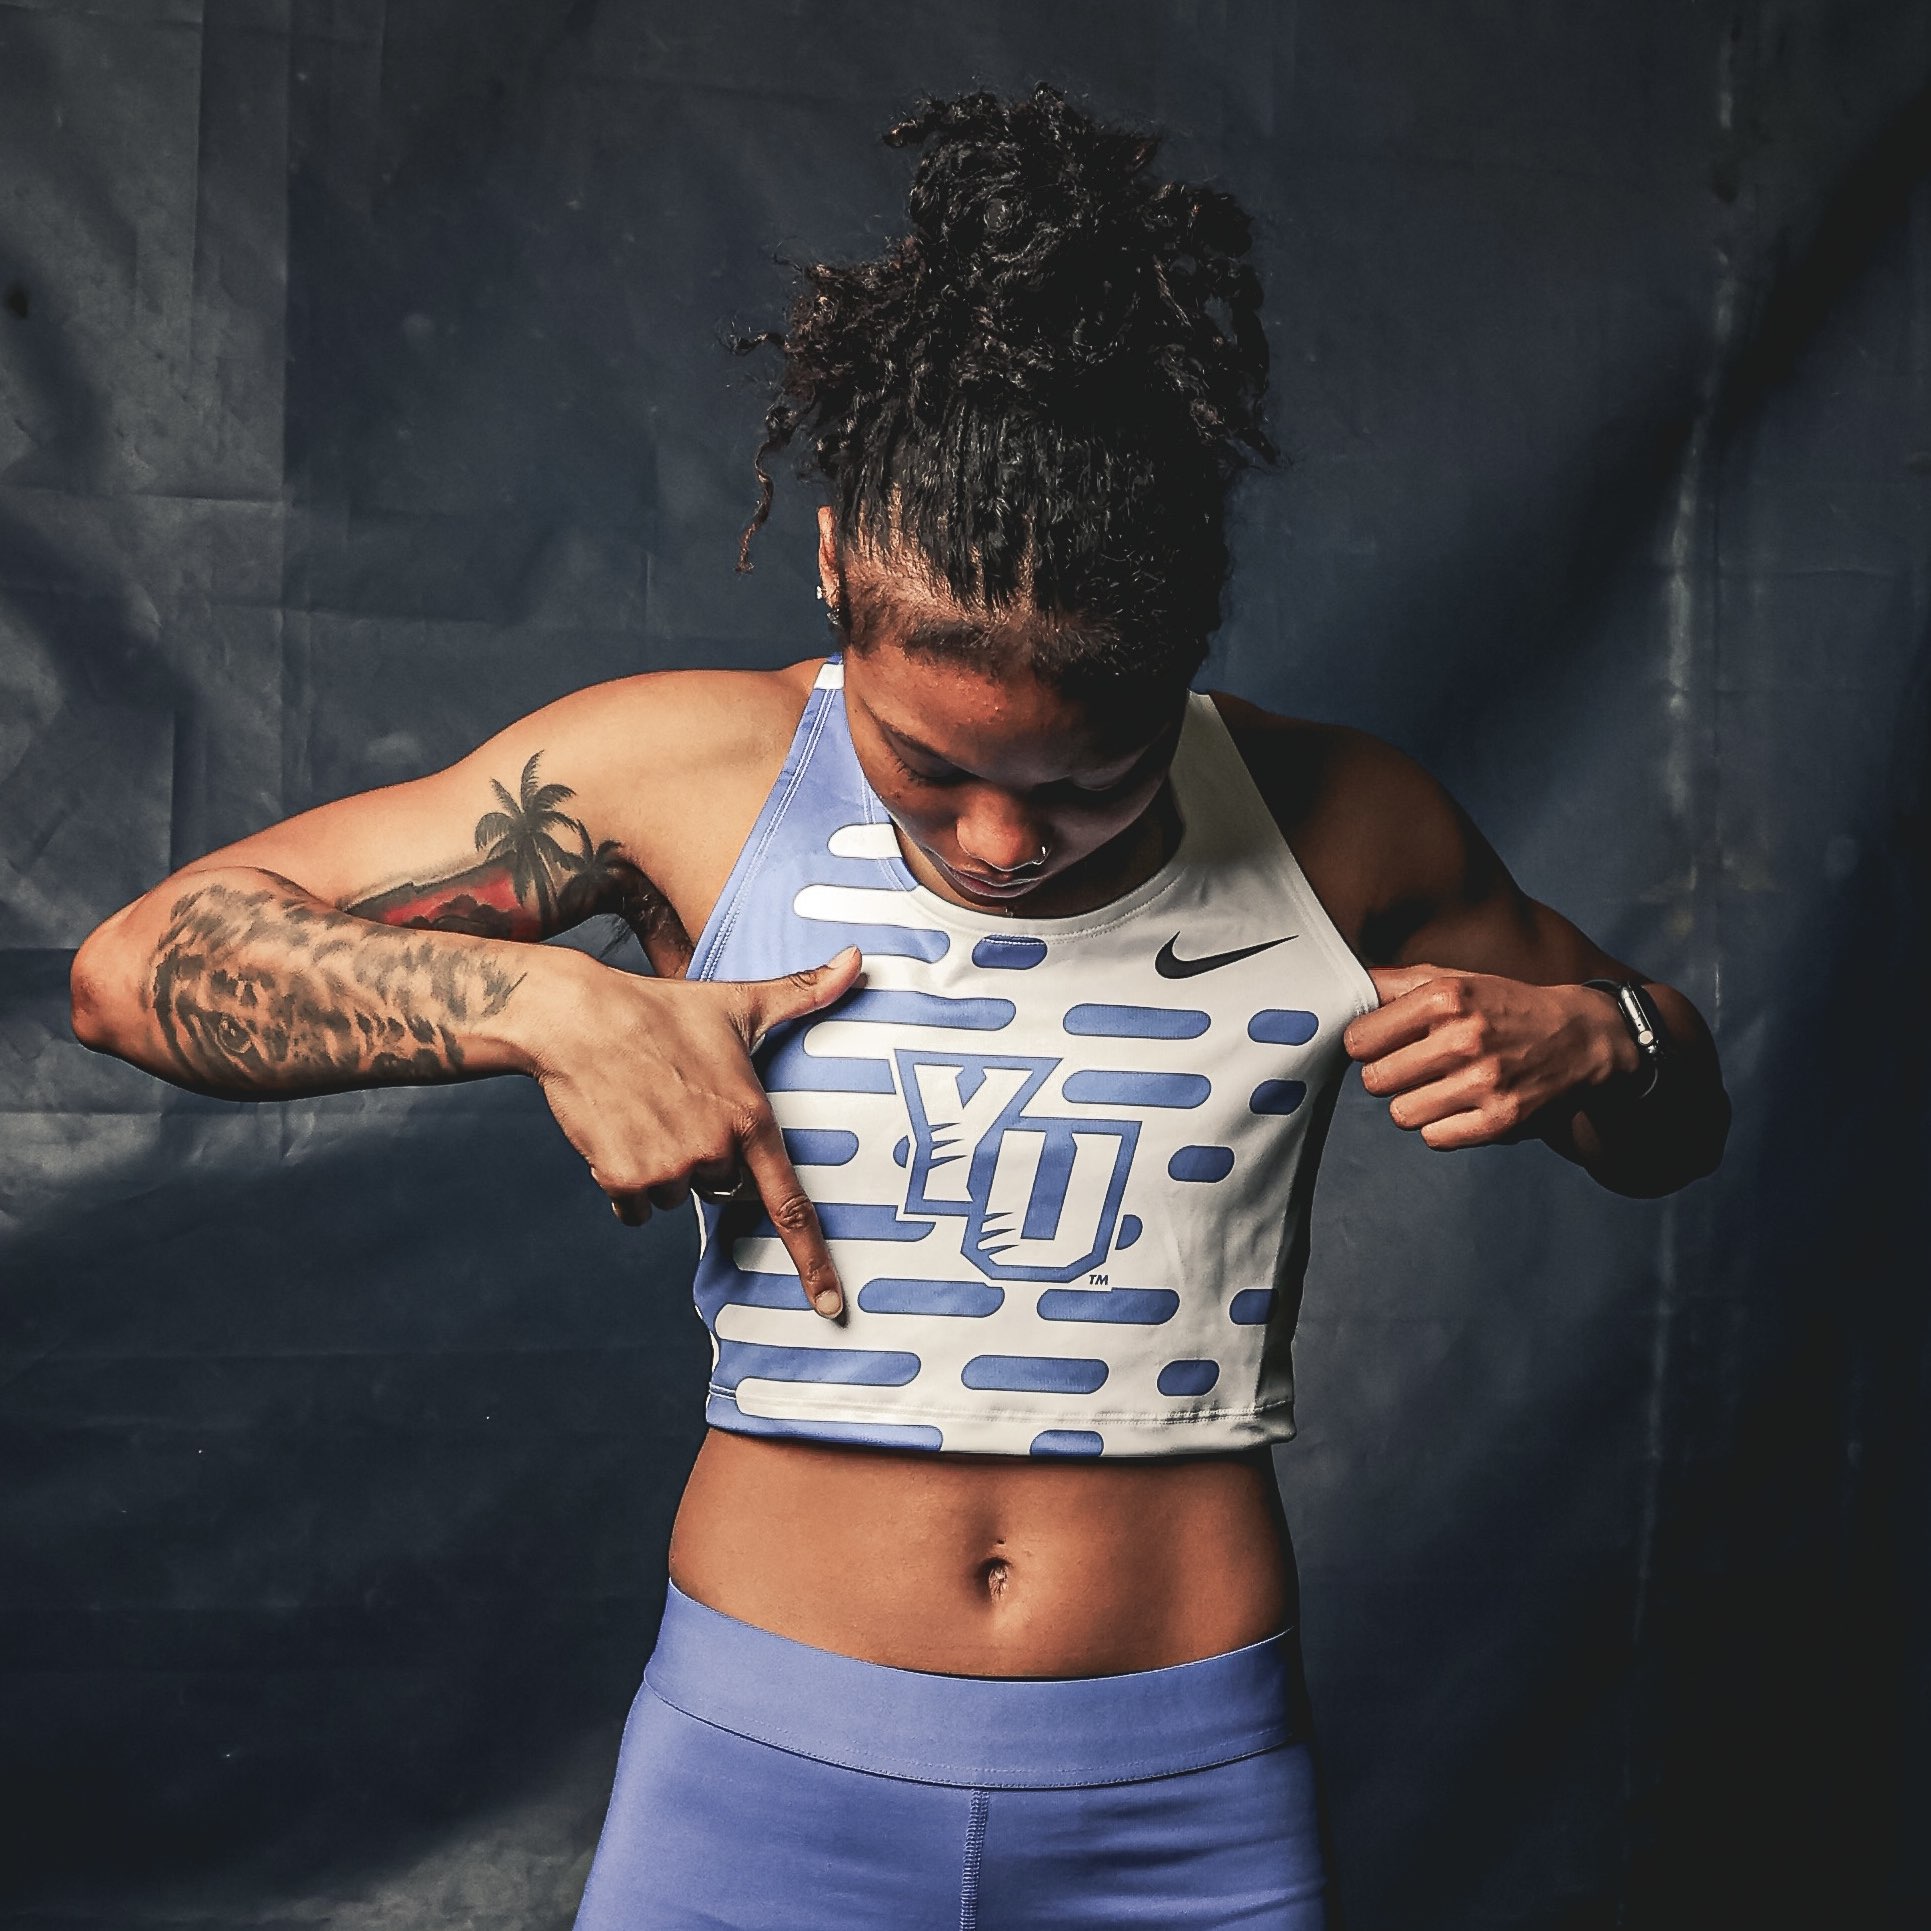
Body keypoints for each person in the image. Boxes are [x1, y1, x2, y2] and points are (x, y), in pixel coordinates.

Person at [70, 83, 1728, 1930]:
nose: (1003, 839)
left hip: (1184, 1797)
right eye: (928, 765)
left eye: (1088, 779)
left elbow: (1674, 1132)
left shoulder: (1340, 821)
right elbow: (133, 972)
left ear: (1187, 644)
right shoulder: (690, 781)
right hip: (760, 1776)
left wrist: (1615, 1040)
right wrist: (543, 1003)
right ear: (837, 564)